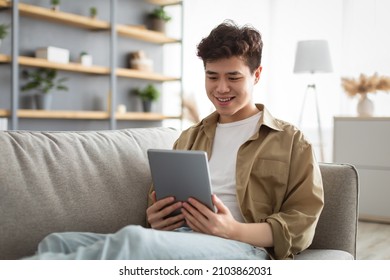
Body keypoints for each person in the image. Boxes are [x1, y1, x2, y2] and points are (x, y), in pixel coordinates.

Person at [24, 20, 323, 260]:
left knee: (133, 241)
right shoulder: (190, 137)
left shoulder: (290, 141)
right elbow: (159, 201)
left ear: (256, 75)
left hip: (244, 249)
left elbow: (302, 222)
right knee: (58, 242)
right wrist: (156, 217)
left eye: (233, 77)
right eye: (212, 76)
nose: (221, 88)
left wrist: (232, 230)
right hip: (178, 239)